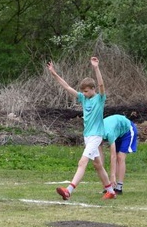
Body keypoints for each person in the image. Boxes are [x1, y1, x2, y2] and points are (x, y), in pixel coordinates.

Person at [48, 57, 116, 200]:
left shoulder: (99, 98)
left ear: (93, 89)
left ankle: (68, 190)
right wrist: (54, 74)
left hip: (96, 135)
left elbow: (102, 85)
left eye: (86, 91)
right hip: (87, 136)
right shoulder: (83, 99)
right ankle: (110, 191)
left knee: (82, 162)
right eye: (83, 92)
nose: (84, 94)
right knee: (98, 165)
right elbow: (67, 87)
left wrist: (96, 68)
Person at [102, 114, 139, 195]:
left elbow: (113, 156)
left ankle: (119, 186)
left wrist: (112, 176)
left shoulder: (109, 133)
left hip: (128, 131)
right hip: (118, 132)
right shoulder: (96, 134)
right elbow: (100, 156)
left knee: (120, 157)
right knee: (116, 156)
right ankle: (111, 186)